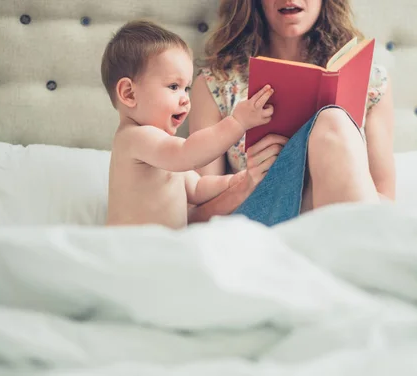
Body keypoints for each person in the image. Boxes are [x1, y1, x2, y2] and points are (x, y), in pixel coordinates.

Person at [188, 0, 395, 226]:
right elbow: (194, 217)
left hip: (337, 215)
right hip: (263, 218)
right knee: (333, 118)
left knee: (333, 119)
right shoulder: (218, 83)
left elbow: (385, 200)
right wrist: (244, 185)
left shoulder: (370, 81)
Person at [102, 20, 275, 229]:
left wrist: (232, 182)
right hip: (133, 250)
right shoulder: (134, 138)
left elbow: (198, 187)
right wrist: (237, 123)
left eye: (187, 88)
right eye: (174, 86)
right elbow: (187, 153)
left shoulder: (165, 149)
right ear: (129, 93)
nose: (185, 98)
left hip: (164, 250)